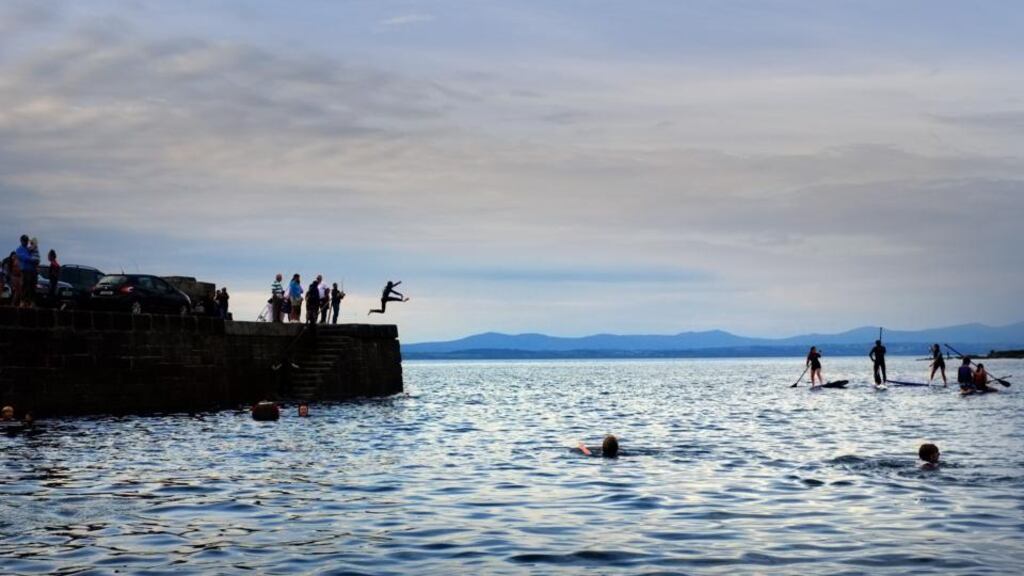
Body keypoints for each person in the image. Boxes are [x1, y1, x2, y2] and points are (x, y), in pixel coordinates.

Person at [15, 235, 38, 307]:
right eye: (24, 240)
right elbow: (25, 258)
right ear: (21, 241)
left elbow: (35, 254)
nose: (26, 242)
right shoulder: (19, 249)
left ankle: (31, 302)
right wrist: (33, 259)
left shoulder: (29, 249)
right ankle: (23, 301)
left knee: (32, 287)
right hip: (25, 270)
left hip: (33, 270)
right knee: (25, 286)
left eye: (27, 240)